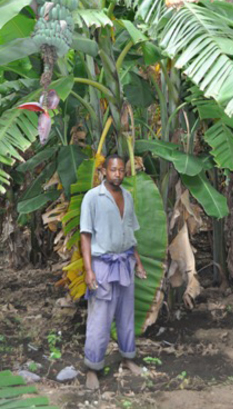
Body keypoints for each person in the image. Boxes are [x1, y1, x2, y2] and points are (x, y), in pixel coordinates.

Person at [80, 154, 147, 390]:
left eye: (121, 170)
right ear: (104, 171)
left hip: (125, 262)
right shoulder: (93, 197)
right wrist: (89, 270)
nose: (117, 174)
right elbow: (85, 235)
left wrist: (138, 263)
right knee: (100, 318)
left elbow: (130, 234)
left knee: (126, 314)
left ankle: (128, 357)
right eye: (113, 170)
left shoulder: (127, 196)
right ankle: (92, 368)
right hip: (103, 265)